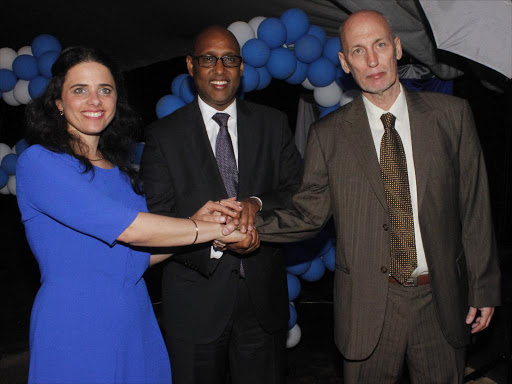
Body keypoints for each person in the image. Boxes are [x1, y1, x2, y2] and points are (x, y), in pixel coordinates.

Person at [254, 10, 501, 384]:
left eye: (380, 45)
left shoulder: (452, 116)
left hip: (441, 300)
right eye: (357, 50)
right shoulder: (328, 135)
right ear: (344, 63)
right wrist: (245, 225)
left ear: (397, 49)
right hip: (368, 305)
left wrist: (483, 287)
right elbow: (307, 214)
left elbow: (474, 207)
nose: (372, 60)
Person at [17, 46, 245, 384]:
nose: (94, 100)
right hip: (75, 323)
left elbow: (137, 257)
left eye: (104, 90)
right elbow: (131, 230)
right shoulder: (40, 162)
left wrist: (203, 222)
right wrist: (205, 229)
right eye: (80, 90)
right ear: (58, 103)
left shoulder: (122, 173)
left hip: (134, 316)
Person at [140, 26, 303, 384]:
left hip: (263, 304)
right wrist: (212, 240)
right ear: (190, 65)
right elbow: (156, 220)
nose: (219, 69)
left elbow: (298, 190)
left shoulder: (273, 124)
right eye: (208, 59)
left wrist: (257, 204)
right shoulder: (163, 136)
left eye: (229, 59)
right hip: (195, 305)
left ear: (241, 67)